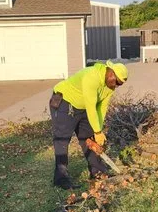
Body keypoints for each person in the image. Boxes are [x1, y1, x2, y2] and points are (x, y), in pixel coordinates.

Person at [49, 60, 128, 188]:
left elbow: (101, 107)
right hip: (64, 101)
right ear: (111, 73)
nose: (116, 85)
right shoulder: (92, 77)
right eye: (116, 81)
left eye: (120, 84)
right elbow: (91, 107)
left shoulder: (110, 87)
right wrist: (97, 131)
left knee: (89, 139)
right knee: (62, 140)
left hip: (82, 106)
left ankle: (97, 171)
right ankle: (61, 179)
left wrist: (99, 131)